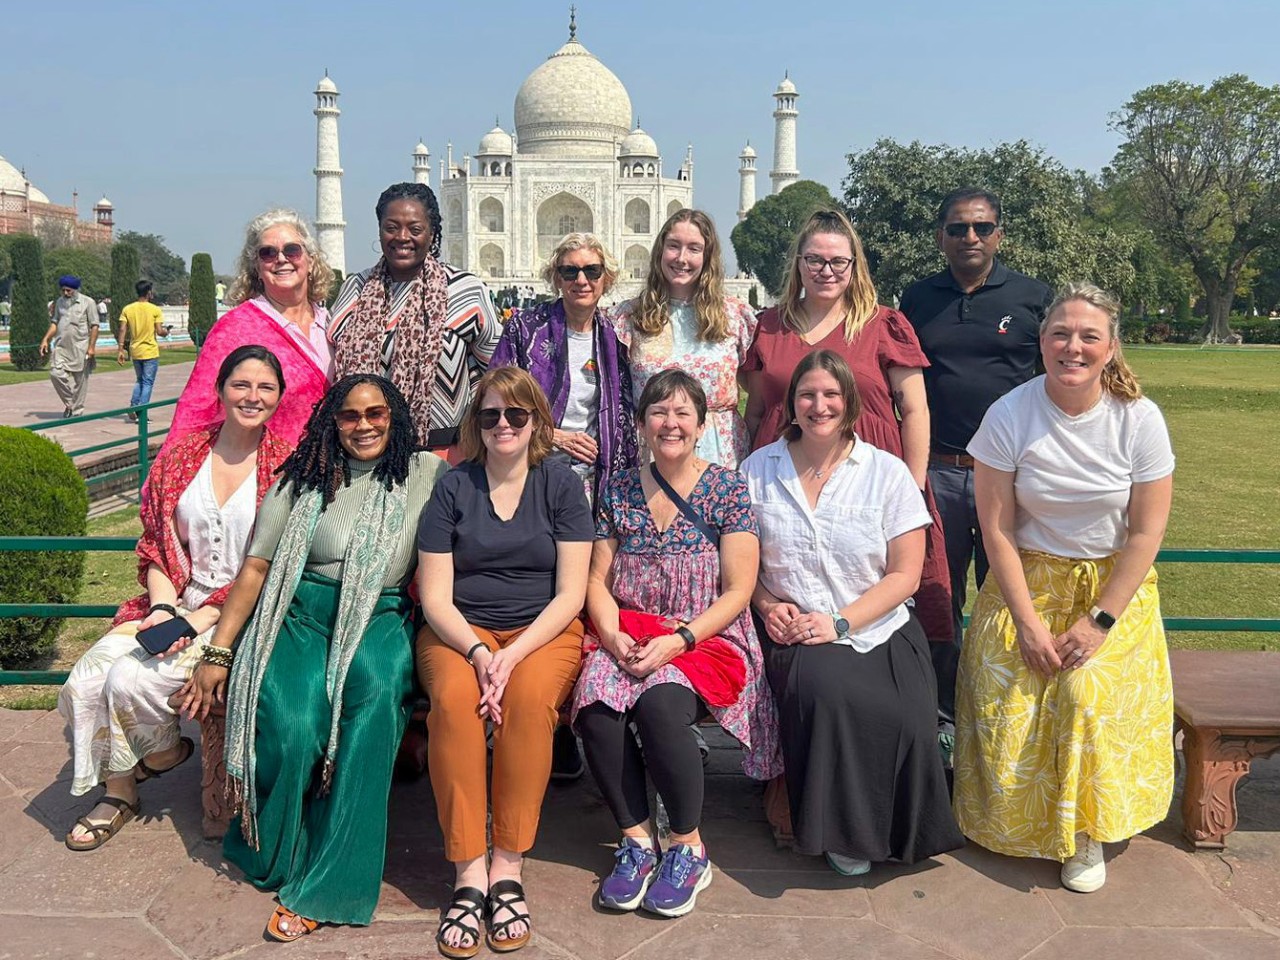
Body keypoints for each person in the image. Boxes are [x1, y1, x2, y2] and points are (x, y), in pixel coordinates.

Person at [178, 374, 447, 940]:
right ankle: (280, 848)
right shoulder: (303, 477)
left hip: (380, 616)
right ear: (332, 420)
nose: (364, 425)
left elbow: (494, 440)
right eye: (350, 415)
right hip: (299, 616)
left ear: (394, 417)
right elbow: (256, 567)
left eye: (376, 413)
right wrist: (220, 652)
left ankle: (333, 882)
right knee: (296, 725)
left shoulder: (426, 473)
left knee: (373, 709)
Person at [952, 283, 1176, 894]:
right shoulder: (1010, 413)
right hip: (1025, 581)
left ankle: (1083, 833)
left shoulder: (1138, 419)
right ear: (1041, 341)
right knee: (1018, 692)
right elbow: (995, 529)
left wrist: (1099, 622)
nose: (1072, 347)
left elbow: (1146, 532)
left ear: (1110, 348)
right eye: (1060, 334)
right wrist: (1026, 622)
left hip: (1111, 589)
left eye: (1088, 336)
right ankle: (1010, 821)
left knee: (1081, 695)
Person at [57, 345, 292, 850]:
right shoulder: (184, 453)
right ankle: (130, 781)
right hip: (173, 600)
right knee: (85, 681)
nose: (252, 397)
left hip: (241, 611)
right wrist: (164, 608)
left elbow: (275, 563)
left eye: (265, 388)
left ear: (279, 398)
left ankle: (148, 763)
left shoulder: (285, 467)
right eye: (241, 385)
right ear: (220, 389)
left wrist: (201, 618)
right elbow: (157, 545)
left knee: (128, 680)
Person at [742, 350, 963, 877]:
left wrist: (841, 622)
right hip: (795, 627)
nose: (819, 405)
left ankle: (901, 832)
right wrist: (769, 606)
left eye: (830, 395)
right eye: (807, 395)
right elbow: (741, 564)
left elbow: (905, 575)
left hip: (877, 623)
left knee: (908, 715)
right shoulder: (758, 470)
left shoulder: (885, 472)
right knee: (830, 695)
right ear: (792, 403)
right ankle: (845, 834)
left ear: (851, 403)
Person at [571, 370, 780, 919]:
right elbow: (596, 579)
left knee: (661, 705)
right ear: (640, 424)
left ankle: (688, 846)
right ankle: (637, 840)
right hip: (628, 630)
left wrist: (680, 639)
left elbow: (738, 589)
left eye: (683, 412)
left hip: (703, 635)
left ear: (702, 424)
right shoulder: (616, 488)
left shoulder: (726, 489)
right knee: (596, 704)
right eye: (659, 412)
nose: (671, 422)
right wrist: (613, 634)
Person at [416, 367, 593, 957]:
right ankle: (469, 871)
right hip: (460, 630)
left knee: (526, 702)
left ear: (536, 421)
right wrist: (476, 652)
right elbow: (436, 595)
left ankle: (508, 865)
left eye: (516, 415)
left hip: (540, 632)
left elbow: (571, 593)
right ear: (477, 423)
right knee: (454, 705)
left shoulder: (560, 483)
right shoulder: (453, 487)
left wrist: (511, 656)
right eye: (490, 415)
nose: (503, 426)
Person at [743, 209, 951, 646]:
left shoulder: (881, 324)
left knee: (893, 587)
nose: (826, 270)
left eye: (839, 261)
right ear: (798, 263)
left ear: (854, 265)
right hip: (786, 477)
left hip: (874, 475)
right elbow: (759, 411)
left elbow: (914, 409)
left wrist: (910, 485)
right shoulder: (770, 326)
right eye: (815, 259)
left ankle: (916, 693)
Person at [899, 188, 1052, 721]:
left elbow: (1055, 378)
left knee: (1007, 593)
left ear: (999, 235)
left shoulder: (1032, 297)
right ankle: (940, 713)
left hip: (1010, 477)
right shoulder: (918, 299)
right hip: (939, 468)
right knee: (937, 595)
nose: (971, 237)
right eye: (959, 228)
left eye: (982, 228)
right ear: (941, 235)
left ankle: (1001, 708)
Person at [329, 181, 501, 459]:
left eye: (415, 228)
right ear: (380, 230)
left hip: (443, 453)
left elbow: (494, 369)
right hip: (362, 447)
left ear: (432, 234)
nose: (402, 237)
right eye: (392, 227)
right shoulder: (356, 288)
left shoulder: (464, 290)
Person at [162, 209, 335, 453]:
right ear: (256, 266)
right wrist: (172, 475)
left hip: (336, 472)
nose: (281, 259)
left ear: (311, 259)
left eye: (292, 250)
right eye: (268, 253)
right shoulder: (235, 329)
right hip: (269, 475)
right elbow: (197, 409)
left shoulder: (333, 325)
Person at [491, 232, 638, 508]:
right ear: (557, 278)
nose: (581, 281)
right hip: (529, 471)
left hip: (595, 478)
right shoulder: (525, 329)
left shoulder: (617, 337)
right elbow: (494, 401)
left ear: (606, 279)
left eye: (592, 271)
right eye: (570, 271)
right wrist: (552, 436)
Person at [610, 209, 757, 469]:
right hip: (654, 451)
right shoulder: (630, 317)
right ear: (660, 251)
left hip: (718, 454)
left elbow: (759, 398)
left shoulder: (734, 317)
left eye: (694, 249)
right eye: (674, 246)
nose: (681, 258)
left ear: (707, 256)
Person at [39, 275, 99, 418]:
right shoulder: (59, 302)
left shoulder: (88, 302)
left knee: (80, 381)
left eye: (68, 291)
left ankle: (76, 412)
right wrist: (45, 339)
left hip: (80, 346)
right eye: (63, 290)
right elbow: (55, 323)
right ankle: (70, 404)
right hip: (61, 347)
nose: (66, 293)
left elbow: (95, 326)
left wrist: (91, 347)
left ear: (76, 289)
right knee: (55, 374)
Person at [116, 280, 169, 422]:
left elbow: (122, 329)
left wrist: (120, 349)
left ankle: (134, 406)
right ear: (149, 293)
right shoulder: (155, 310)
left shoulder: (128, 309)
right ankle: (141, 412)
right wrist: (166, 332)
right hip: (150, 350)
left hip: (135, 350)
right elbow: (159, 331)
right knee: (147, 382)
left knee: (140, 380)